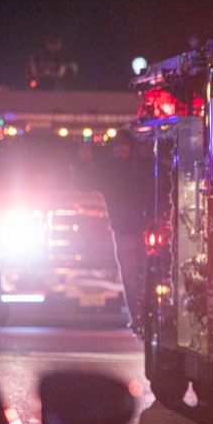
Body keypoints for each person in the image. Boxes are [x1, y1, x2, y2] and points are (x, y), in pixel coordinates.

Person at [76, 130, 150, 333]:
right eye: (118, 146)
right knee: (133, 275)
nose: (120, 149)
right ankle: (139, 317)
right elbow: (86, 183)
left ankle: (139, 317)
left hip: (133, 229)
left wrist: (84, 161)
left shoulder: (120, 169)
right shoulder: (138, 168)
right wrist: (85, 161)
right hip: (128, 230)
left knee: (134, 275)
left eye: (123, 145)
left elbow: (86, 182)